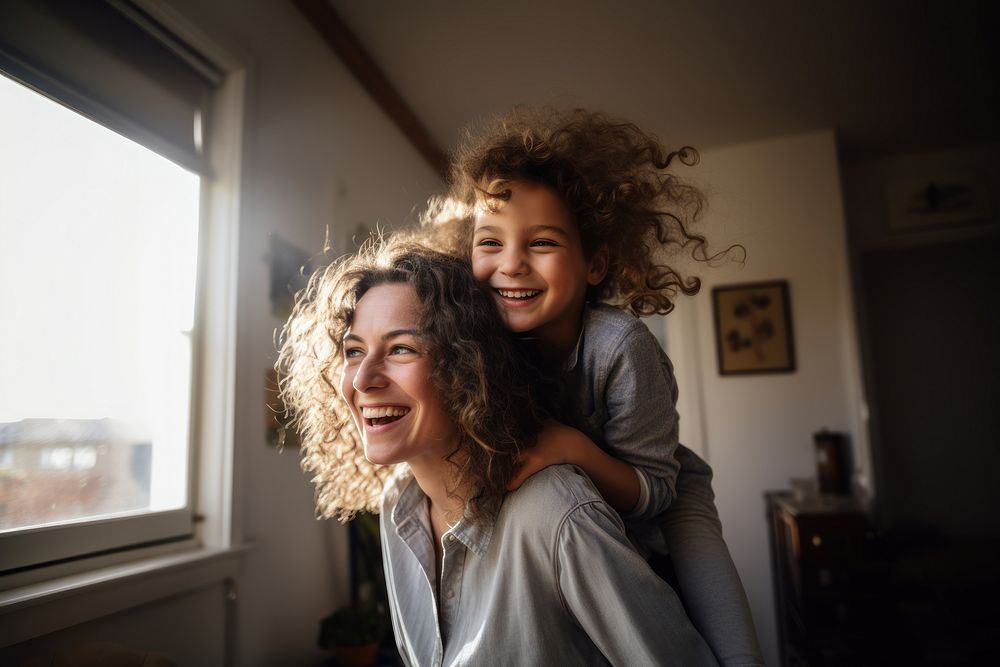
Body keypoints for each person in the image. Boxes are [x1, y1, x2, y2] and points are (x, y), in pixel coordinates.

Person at [420, 107, 764, 666]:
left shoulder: (621, 347)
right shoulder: (475, 338)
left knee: (732, 646)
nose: (511, 265)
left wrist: (569, 448)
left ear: (596, 264)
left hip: (660, 486)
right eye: (490, 243)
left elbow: (654, 493)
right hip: (573, 503)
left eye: (543, 243)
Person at [277, 238, 719, 666]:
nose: (361, 380)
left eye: (401, 349)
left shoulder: (556, 514)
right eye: (354, 351)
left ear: (469, 367)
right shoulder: (399, 504)